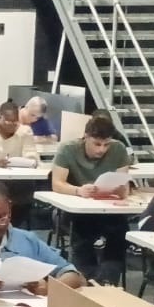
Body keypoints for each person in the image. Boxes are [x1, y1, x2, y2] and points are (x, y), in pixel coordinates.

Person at [0, 182, 84, 295]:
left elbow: (72, 275)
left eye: (2, 218)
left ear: (10, 208)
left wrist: (49, 288)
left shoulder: (27, 241)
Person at [50, 113, 133, 285]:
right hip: (76, 212)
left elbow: (123, 183)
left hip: (107, 211)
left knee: (120, 231)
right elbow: (57, 183)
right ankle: (88, 279)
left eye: (106, 144)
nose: (101, 149)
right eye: (97, 144)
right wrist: (78, 190)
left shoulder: (118, 149)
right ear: (86, 137)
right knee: (82, 231)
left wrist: (121, 190)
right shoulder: (68, 149)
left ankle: (106, 280)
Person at [0, 100, 41, 167]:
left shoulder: (25, 132)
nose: (11, 125)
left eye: (15, 121)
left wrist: (31, 161)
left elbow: (31, 153)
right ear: (0, 117)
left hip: (17, 171)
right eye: (8, 121)